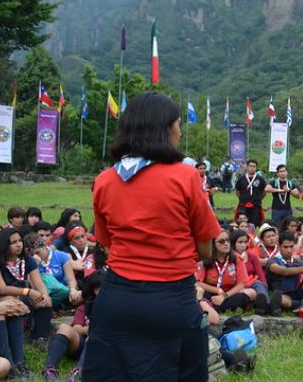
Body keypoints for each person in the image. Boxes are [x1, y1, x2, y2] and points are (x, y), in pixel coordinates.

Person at [86, 91, 222, 381]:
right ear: (164, 129)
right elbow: (206, 249)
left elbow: (107, 243)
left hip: (116, 299)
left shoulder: (104, 180)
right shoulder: (185, 176)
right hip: (170, 301)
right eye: (178, 124)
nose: (180, 131)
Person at [0, 228, 53, 377]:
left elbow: (38, 282)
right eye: (13, 242)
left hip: (21, 297)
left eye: (19, 241)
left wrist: (44, 294)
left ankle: (39, 338)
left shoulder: (27, 260)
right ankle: (13, 364)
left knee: (45, 303)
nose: (18, 245)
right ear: (4, 245)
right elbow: (1, 289)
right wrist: (28, 292)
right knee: (11, 303)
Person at [42, 269, 104, 381]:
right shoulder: (86, 305)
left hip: (101, 348)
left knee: (93, 337)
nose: (99, 292)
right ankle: (49, 369)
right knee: (64, 328)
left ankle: (79, 372)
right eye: (96, 289)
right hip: (80, 344)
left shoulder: (114, 307)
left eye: (102, 289)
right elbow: (76, 328)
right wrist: (89, 329)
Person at [195, 230, 254, 313]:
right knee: (197, 290)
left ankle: (214, 308)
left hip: (228, 294)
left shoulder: (236, 259)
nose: (226, 243)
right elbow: (198, 283)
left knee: (251, 293)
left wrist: (224, 296)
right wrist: (217, 290)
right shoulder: (205, 259)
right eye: (221, 241)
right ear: (213, 245)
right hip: (210, 294)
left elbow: (241, 284)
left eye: (227, 240)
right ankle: (228, 307)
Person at [265, 231, 303, 314]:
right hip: (283, 294)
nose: (289, 250)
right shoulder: (272, 261)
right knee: (282, 300)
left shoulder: (299, 261)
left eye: (291, 247)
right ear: (278, 246)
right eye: (285, 247)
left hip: (298, 291)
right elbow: (283, 271)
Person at [230, 230, 271, 315]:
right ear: (233, 243)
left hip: (252, 283)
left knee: (259, 283)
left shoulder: (252, 257)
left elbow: (261, 275)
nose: (243, 245)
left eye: (245, 242)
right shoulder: (229, 258)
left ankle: (264, 305)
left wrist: (264, 286)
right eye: (240, 242)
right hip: (236, 285)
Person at [235, 160, 267, 226]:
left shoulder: (260, 179)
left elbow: (264, 191)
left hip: (255, 205)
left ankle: (252, 236)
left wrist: (259, 198)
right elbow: (237, 191)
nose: (252, 168)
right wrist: (242, 198)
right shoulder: (241, 179)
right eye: (250, 166)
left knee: (254, 224)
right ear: (247, 167)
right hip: (243, 205)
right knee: (242, 223)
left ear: (256, 168)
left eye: (254, 166)